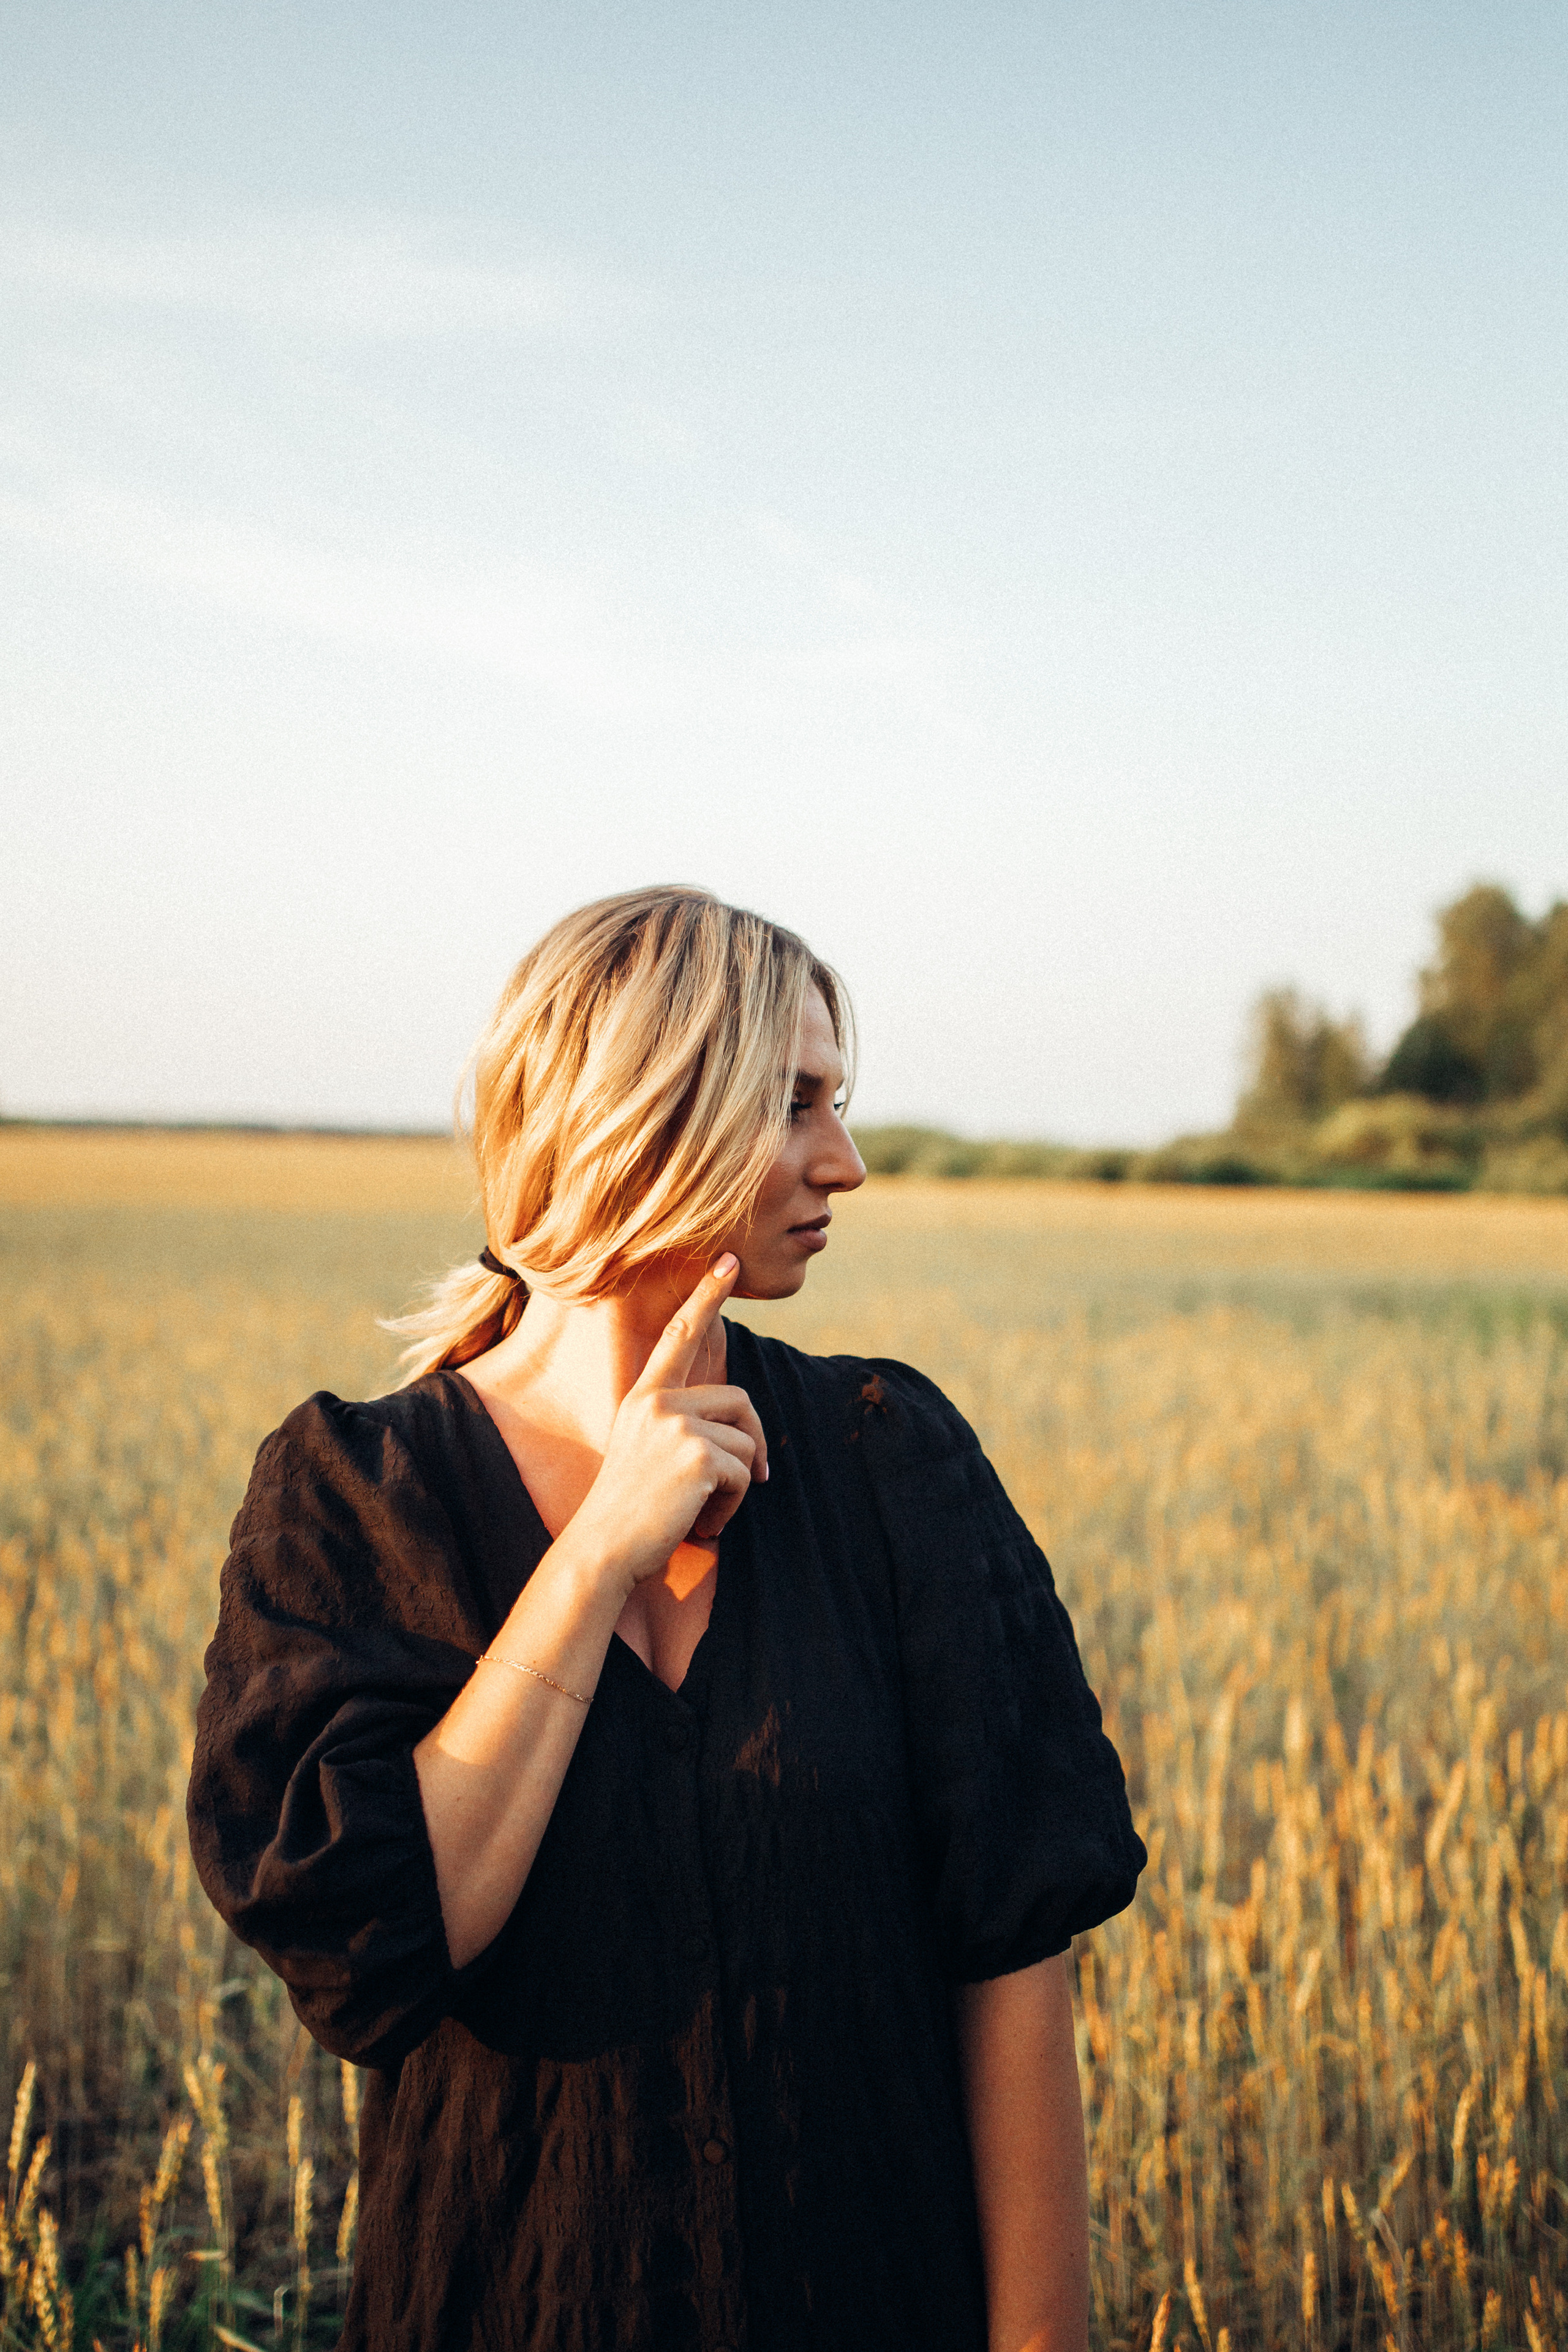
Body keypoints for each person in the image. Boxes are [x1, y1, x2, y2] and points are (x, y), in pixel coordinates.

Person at [188, 885, 1145, 2352]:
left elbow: (1012, 1959)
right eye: (794, 1101)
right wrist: (593, 1562)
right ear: (644, 1112)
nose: (849, 1160)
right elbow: (371, 1956)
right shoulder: (355, 1495)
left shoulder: (889, 1458)